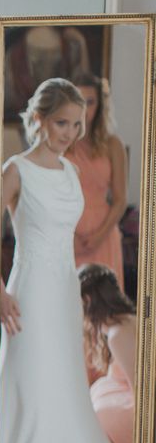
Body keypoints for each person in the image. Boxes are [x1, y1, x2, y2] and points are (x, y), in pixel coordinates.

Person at [0, 78, 130, 443]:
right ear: (37, 119)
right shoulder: (14, 169)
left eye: (77, 123)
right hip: (30, 292)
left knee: (63, 383)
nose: (70, 133)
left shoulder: (70, 170)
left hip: (62, 291)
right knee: (31, 383)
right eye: (61, 123)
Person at [68, 73, 127, 287]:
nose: (84, 110)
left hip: (104, 232)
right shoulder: (61, 145)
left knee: (105, 307)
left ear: (100, 106)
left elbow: (120, 200)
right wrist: (69, 235)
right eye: (79, 101)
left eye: (90, 102)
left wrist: (100, 236)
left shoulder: (113, 145)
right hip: (69, 231)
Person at [79, 263, 137, 443]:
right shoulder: (127, 321)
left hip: (139, 407)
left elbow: (141, 390)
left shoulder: (117, 335)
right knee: (99, 390)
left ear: (88, 301)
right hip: (129, 393)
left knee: (101, 411)